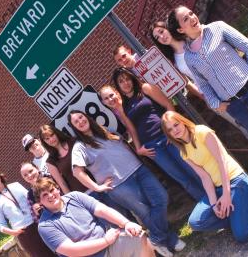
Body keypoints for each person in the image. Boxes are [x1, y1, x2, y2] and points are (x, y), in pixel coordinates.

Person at [167, 5, 248, 178]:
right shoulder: (189, 57)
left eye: (191, 13)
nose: (192, 17)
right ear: (180, 29)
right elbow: (203, 85)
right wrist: (216, 103)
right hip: (237, 107)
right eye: (185, 19)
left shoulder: (218, 28)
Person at [68, 110, 185, 257]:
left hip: (139, 170)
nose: (80, 121)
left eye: (81, 117)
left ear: (86, 117)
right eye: (76, 122)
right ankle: (171, 239)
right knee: (145, 213)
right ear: (74, 127)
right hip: (119, 185)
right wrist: (97, 187)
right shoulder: (80, 147)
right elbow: (77, 172)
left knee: (161, 197)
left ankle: (156, 239)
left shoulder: (104, 130)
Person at [161, 111, 248, 242]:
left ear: (183, 121)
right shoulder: (183, 152)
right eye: (170, 130)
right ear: (168, 134)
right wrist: (214, 203)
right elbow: (204, 177)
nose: (175, 130)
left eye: (176, 125)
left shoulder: (201, 132)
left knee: (243, 236)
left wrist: (226, 195)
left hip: (235, 180)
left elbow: (222, 161)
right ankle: (237, 218)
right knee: (196, 222)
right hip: (217, 188)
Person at [112, 67, 205, 201]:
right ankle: (208, 205)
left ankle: (217, 194)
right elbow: (132, 129)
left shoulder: (146, 88)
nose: (125, 83)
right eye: (121, 81)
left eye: (127, 79)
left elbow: (168, 105)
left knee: (193, 169)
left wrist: (172, 131)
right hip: (153, 148)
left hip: (168, 137)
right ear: (118, 86)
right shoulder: (123, 107)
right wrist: (138, 149)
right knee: (181, 178)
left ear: (132, 79)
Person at [34, 178, 156, 257]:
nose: (51, 195)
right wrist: (106, 241)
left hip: (109, 245)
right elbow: (72, 250)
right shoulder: (45, 226)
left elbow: (103, 210)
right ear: (40, 202)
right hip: (95, 251)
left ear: (58, 189)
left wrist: (126, 223)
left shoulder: (75, 197)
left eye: (52, 190)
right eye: (45, 195)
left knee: (139, 236)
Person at [0, 167, 54, 257]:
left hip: (38, 223)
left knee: (56, 250)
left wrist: (36, 207)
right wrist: (14, 232)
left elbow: (31, 199)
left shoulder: (16, 185)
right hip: (25, 233)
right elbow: (0, 225)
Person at [98, 84, 155, 158]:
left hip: (155, 134)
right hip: (145, 143)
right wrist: (138, 148)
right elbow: (130, 129)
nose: (110, 99)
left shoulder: (128, 103)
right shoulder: (115, 113)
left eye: (111, 95)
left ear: (117, 93)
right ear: (103, 102)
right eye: (106, 98)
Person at [39, 124, 87, 194]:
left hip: (98, 184)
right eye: (47, 139)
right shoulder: (50, 161)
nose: (51, 139)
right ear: (44, 142)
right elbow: (62, 184)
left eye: (52, 135)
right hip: (83, 195)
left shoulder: (73, 142)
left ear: (56, 133)